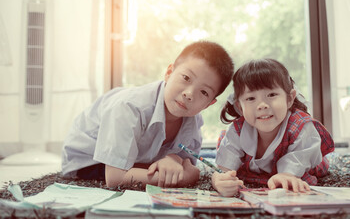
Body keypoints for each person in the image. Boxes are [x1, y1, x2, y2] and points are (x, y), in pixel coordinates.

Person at [61, 41, 234, 188]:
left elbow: (187, 164)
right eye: (186, 78)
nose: (189, 94)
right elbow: (114, 178)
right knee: (130, 170)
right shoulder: (129, 107)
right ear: (168, 73)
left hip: (137, 157)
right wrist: (183, 178)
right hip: (88, 159)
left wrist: (173, 158)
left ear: (209, 103)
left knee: (166, 164)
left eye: (204, 92)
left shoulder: (193, 121)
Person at [212, 58, 334, 197]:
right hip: (255, 169)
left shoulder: (300, 127)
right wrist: (219, 181)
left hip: (303, 160)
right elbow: (222, 171)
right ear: (240, 107)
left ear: (289, 99)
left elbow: (301, 158)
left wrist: (287, 175)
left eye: (272, 95)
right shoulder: (237, 130)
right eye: (251, 98)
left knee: (309, 168)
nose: (262, 105)